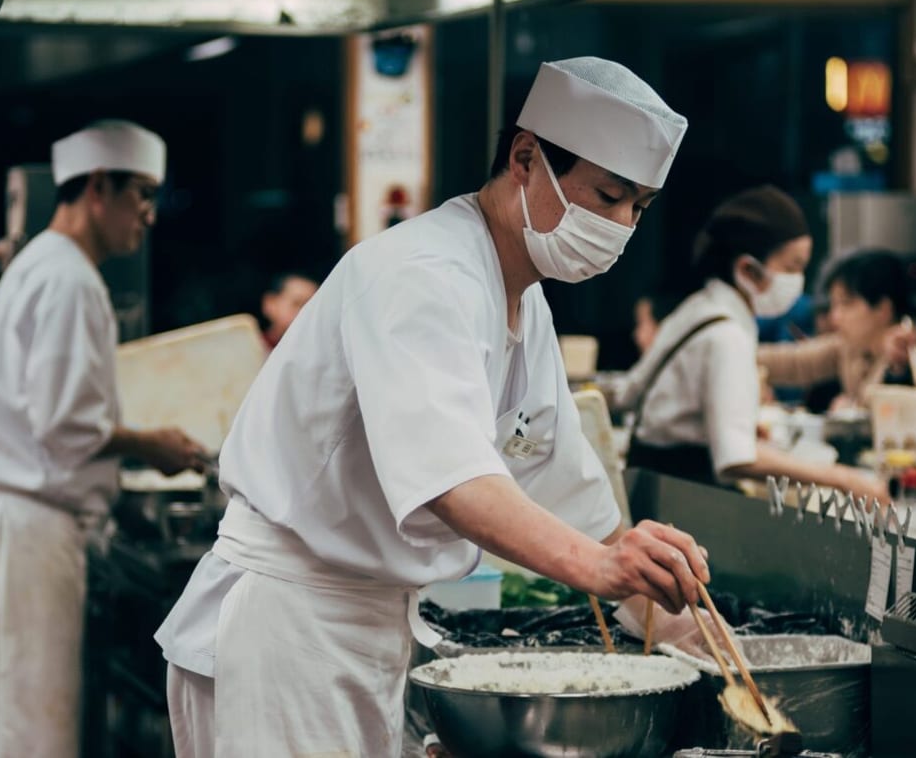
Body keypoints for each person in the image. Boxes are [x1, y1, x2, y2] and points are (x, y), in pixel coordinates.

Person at [156, 57, 712, 758]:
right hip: (287, 627)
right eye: (608, 196)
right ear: (525, 159)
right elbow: (454, 481)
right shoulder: (421, 274)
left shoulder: (523, 300)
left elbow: (562, 485)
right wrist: (599, 570)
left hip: (360, 627)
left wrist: (699, 641)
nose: (622, 225)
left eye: (640, 208)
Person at [0, 120, 209, 758]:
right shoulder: (69, 279)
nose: (149, 215)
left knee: (11, 733)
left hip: (7, 531)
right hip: (27, 537)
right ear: (97, 188)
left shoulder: (40, 262)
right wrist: (151, 444)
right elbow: (65, 423)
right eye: (141, 195)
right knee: (33, 741)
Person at [623, 185, 888, 502]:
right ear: (747, 269)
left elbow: (630, 391)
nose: (798, 279)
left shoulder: (701, 306)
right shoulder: (727, 336)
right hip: (681, 493)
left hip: (654, 481)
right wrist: (845, 479)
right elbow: (737, 459)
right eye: (791, 267)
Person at [758, 249, 916, 412]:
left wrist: (851, 407)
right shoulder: (849, 345)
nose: (835, 317)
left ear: (883, 308)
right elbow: (794, 362)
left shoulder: (907, 350)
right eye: (834, 305)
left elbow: (880, 407)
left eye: (846, 304)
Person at [259, 271, 318, 351]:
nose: (304, 313)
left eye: (311, 308)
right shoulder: (249, 346)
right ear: (270, 303)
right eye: (297, 303)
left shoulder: (316, 352)